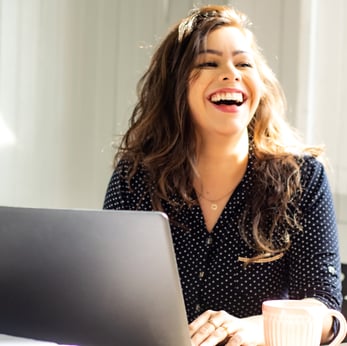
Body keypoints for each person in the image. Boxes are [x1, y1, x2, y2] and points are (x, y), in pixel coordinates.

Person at [103, 4, 343, 346]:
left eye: (244, 63)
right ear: (176, 86)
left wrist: (256, 328)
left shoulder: (302, 180)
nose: (231, 74)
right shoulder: (135, 178)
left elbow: (326, 312)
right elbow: (106, 297)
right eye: (208, 63)